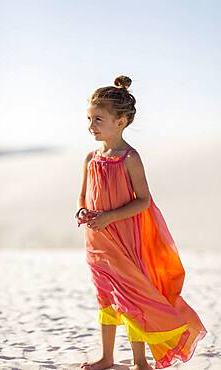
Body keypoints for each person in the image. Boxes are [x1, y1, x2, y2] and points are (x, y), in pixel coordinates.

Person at [75, 75, 207, 370]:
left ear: (120, 121)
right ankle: (107, 356)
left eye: (98, 119)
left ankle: (139, 360)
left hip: (126, 238)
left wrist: (108, 217)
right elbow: (83, 195)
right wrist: (82, 211)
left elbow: (143, 200)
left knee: (132, 295)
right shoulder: (90, 158)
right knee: (106, 295)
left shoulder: (129, 158)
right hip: (97, 242)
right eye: (89, 118)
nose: (91, 125)